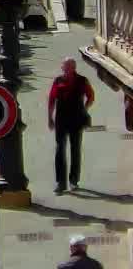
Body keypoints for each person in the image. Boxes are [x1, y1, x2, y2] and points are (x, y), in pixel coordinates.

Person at [48, 57, 96, 193]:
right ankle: (60, 183)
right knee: (59, 150)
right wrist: (49, 118)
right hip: (61, 120)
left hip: (76, 119)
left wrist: (84, 109)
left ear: (74, 68)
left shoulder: (82, 80)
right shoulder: (58, 81)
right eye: (66, 67)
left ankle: (73, 181)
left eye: (70, 67)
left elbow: (91, 96)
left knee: (75, 149)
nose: (68, 69)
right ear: (62, 68)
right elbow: (51, 100)